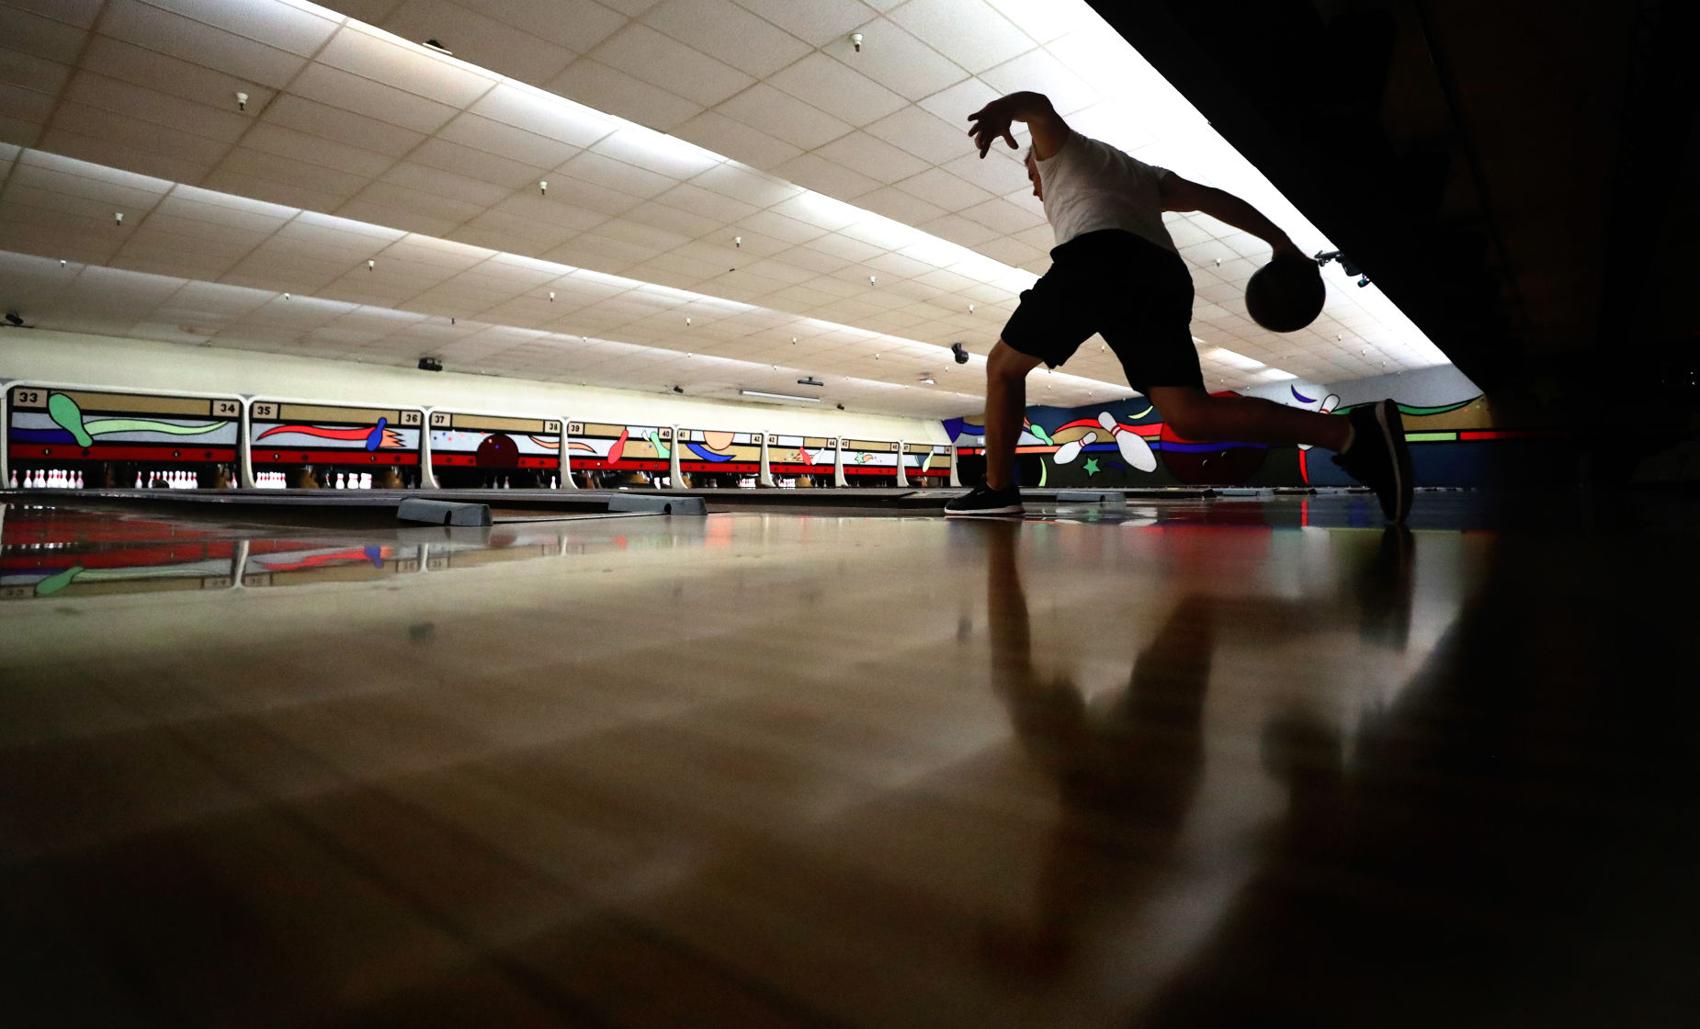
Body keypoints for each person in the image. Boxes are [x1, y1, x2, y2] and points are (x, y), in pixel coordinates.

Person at [943, 91, 1412, 522]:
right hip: (1161, 275)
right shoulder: (1141, 176)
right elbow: (1212, 200)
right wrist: (1281, 242)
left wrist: (1008, 109)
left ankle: (998, 489)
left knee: (1003, 368)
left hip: (1099, 259)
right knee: (1190, 415)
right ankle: (1351, 433)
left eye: (1031, 175)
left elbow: (1039, 107)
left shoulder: (1061, 152)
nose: (1034, 187)